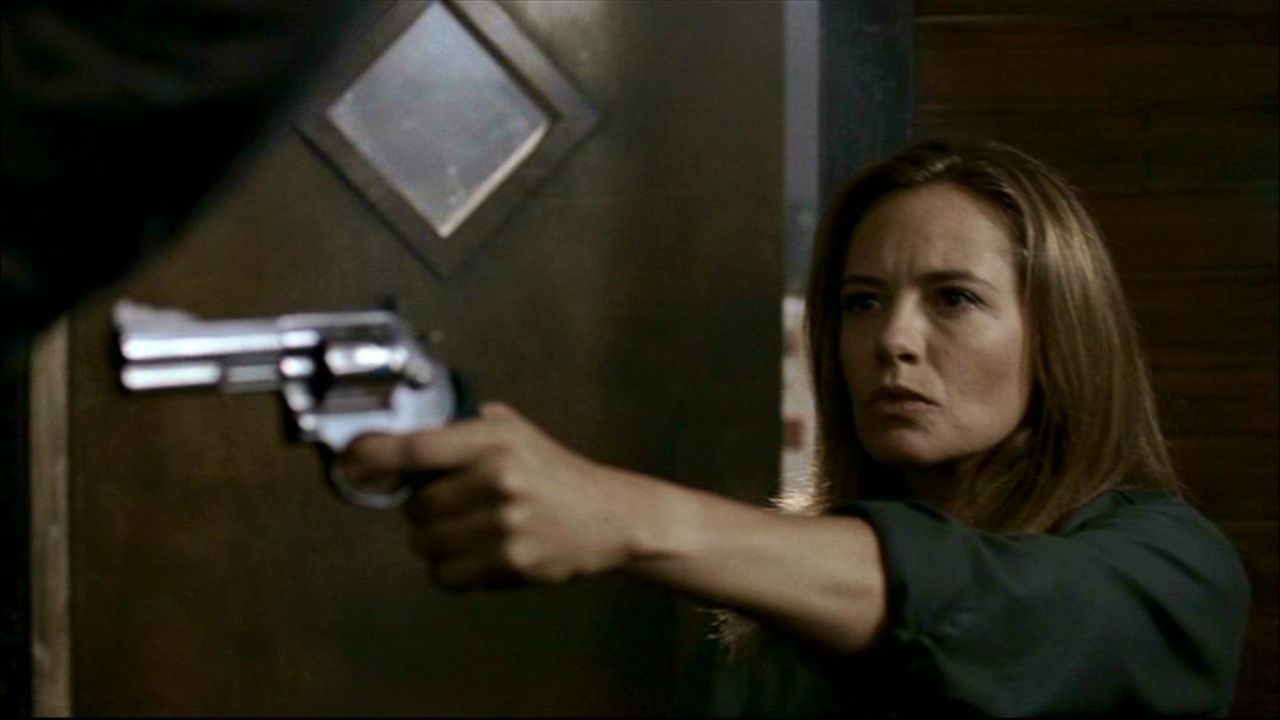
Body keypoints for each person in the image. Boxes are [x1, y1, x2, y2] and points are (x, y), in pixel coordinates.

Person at [341, 140, 1250, 716]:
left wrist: (624, 515)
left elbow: (998, 611)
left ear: (1059, 335)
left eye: (954, 299)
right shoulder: (762, 626)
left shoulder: (1169, 570)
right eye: (862, 302)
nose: (893, 341)